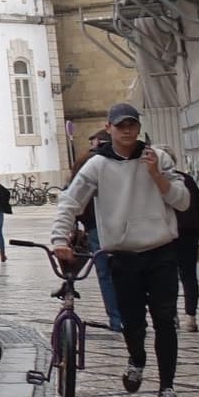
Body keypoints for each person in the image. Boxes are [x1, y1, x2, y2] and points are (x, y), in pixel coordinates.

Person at [51, 102, 192, 397]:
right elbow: (70, 201)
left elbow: (182, 202)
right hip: (123, 255)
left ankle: (167, 388)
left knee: (165, 320)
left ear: (138, 127)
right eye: (120, 125)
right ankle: (137, 359)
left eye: (131, 125)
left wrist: (157, 175)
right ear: (109, 128)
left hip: (160, 251)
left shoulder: (158, 158)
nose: (127, 130)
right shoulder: (97, 165)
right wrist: (59, 240)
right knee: (132, 321)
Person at [76, 128, 125, 334]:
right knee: (125, 270)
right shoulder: (119, 162)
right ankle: (131, 315)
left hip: (94, 226)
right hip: (119, 223)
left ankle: (116, 319)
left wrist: (75, 224)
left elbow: (73, 198)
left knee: (105, 274)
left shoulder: (84, 162)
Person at [173, 166, 199, 332]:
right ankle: (191, 317)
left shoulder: (156, 181)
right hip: (188, 235)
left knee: (168, 278)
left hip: (167, 236)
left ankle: (172, 315)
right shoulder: (186, 179)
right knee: (189, 276)